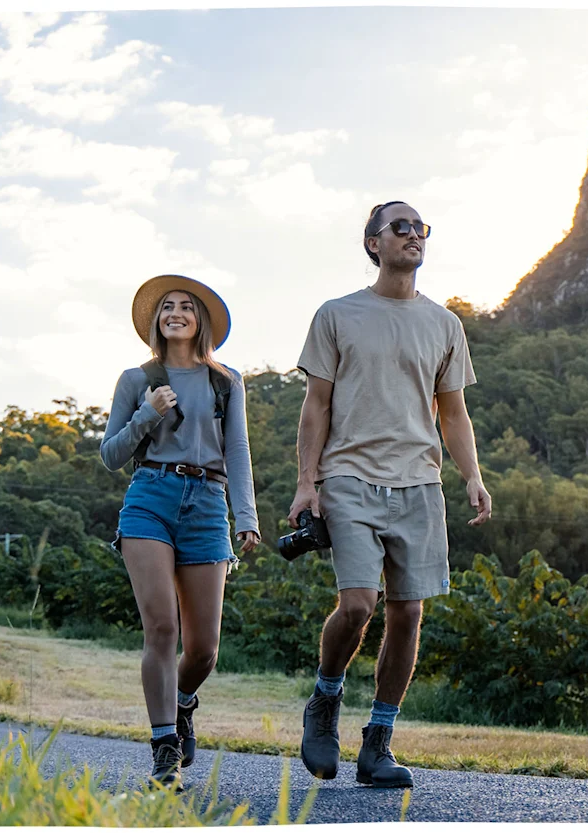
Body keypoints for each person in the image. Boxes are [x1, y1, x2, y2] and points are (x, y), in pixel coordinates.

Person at [290, 201, 492, 787]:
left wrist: (472, 477)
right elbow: (316, 405)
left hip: (421, 484)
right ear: (372, 243)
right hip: (349, 476)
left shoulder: (445, 324)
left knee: (408, 612)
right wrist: (308, 483)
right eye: (399, 227)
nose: (413, 235)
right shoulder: (337, 314)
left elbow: (453, 414)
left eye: (420, 228)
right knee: (358, 605)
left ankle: (378, 742)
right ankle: (325, 700)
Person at [100, 275, 260, 787]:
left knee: (205, 647)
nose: (176, 313)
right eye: (167, 306)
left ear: (201, 321)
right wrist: (149, 413)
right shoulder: (136, 378)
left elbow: (237, 451)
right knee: (162, 629)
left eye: (186, 307)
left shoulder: (226, 381)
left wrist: (248, 516)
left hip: (209, 505)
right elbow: (110, 456)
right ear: (156, 320)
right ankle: (164, 747)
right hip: (150, 498)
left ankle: (183, 702)